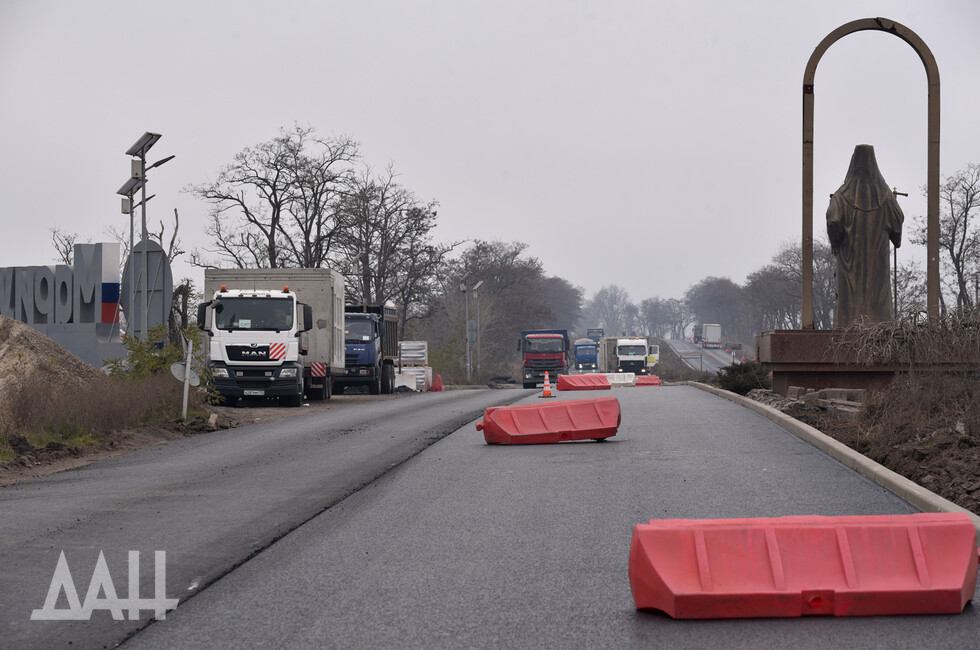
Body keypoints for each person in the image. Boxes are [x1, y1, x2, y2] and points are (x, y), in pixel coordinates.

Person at [826, 144, 904, 328]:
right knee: (879, 306)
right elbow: (898, 219)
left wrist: (836, 243)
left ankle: (848, 328)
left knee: (850, 308)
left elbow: (834, 221)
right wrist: (895, 237)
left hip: (850, 263)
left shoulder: (840, 196)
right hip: (878, 265)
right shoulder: (886, 196)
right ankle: (880, 327)